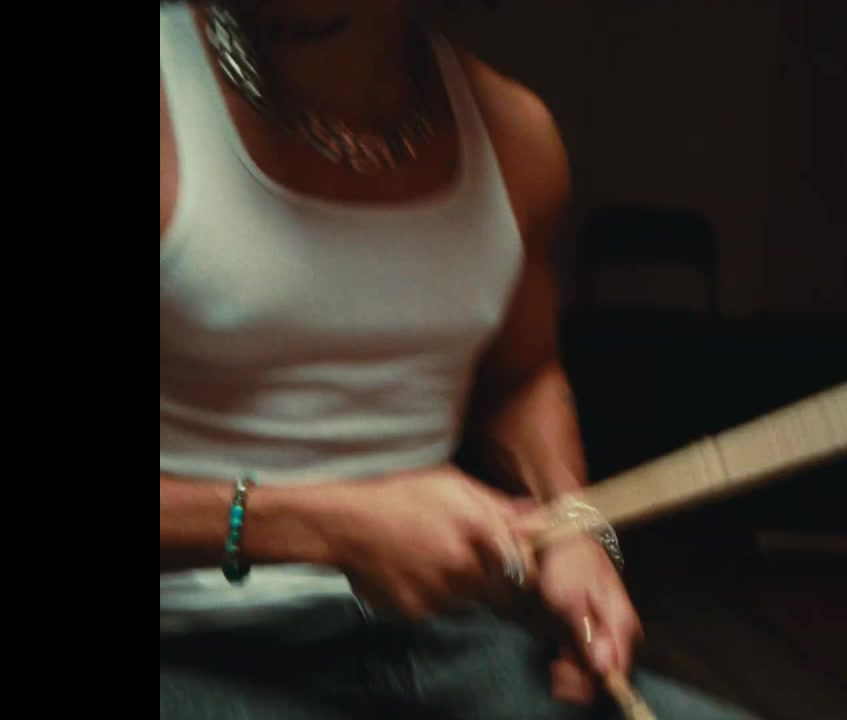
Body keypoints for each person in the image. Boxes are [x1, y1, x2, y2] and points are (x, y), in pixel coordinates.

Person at [158, 1, 751, 717]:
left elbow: (522, 378)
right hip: (189, 644)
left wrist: (575, 523)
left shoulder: (517, 136)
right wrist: (324, 525)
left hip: (434, 640)